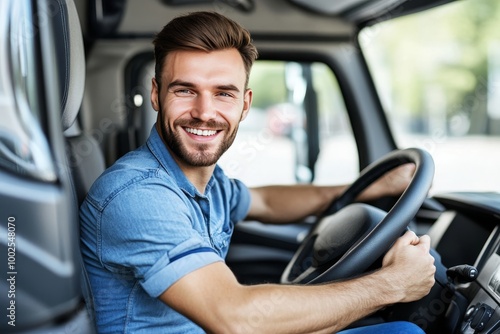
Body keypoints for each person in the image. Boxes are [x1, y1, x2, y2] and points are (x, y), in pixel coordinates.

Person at [79, 11, 436, 334]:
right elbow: (235, 317)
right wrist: (393, 284)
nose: (205, 112)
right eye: (185, 90)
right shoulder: (138, 196)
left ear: (245, 104)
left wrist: (371, 186)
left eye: (223, 94)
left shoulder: (207, 183)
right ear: (156, 95)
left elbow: (266, 200)